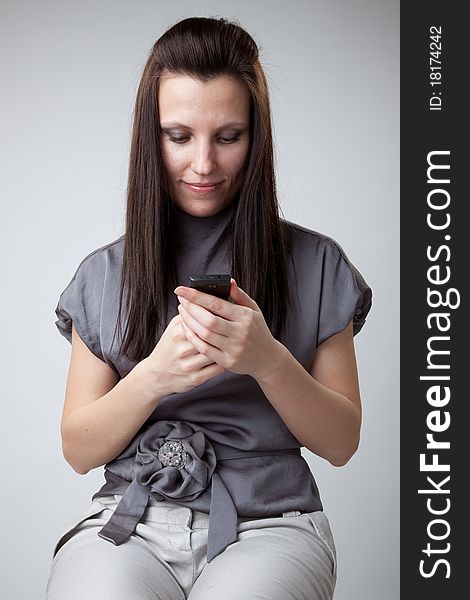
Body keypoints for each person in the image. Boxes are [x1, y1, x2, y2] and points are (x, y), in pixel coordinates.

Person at [46, 16, 372, 600]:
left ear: (257, 137)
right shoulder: (103, 274)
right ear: (151, 137)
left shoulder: (316, 263)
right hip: (132, 524)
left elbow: (342, 442)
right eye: (179, 137)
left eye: (228, 136)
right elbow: (78, 448)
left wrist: (267, 359)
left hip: (272, 525)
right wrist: (153, 377)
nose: (203, 164)